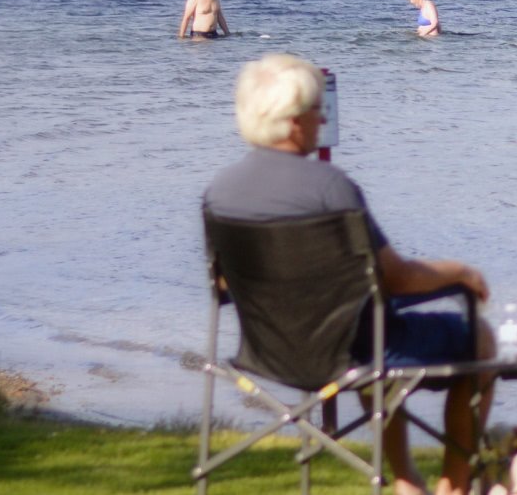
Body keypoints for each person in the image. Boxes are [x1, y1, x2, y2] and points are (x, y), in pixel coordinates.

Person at [202, 53, 494, 495]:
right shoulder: (331, 189)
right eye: (317, 108)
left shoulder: (220, 193)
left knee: (364, 324)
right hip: (349, 353)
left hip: (269, 352)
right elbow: (398, 278)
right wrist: (462, 272)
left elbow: (224, 286)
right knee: (479, 339)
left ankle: (407, 481)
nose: (323, 118)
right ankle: (454, 484)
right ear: (294, 119)